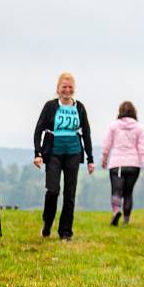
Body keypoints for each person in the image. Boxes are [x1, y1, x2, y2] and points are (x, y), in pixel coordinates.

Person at [33, 72, 94, 241]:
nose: (67, 90)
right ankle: (48, 222)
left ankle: (66, 232)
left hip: (73, 152)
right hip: (53, 153)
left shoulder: (79, 107)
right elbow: (38, 130)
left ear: (74, 89)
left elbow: (86, 133)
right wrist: (37, 153)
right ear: (58, 89)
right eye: (64, 87)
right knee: (53, 190)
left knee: (70, 193)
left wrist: (90, 159)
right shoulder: (50, 106)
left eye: (70, 87)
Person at [101, 101, 144, 226]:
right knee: (128, 193)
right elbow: (143, 148)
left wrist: (104, 159)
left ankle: (116, 211)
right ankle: (126, 219)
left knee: (116, 191)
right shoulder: (139, 127)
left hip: (117, 163)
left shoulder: (113, 126)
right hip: (134, 164)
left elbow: (107, 144)